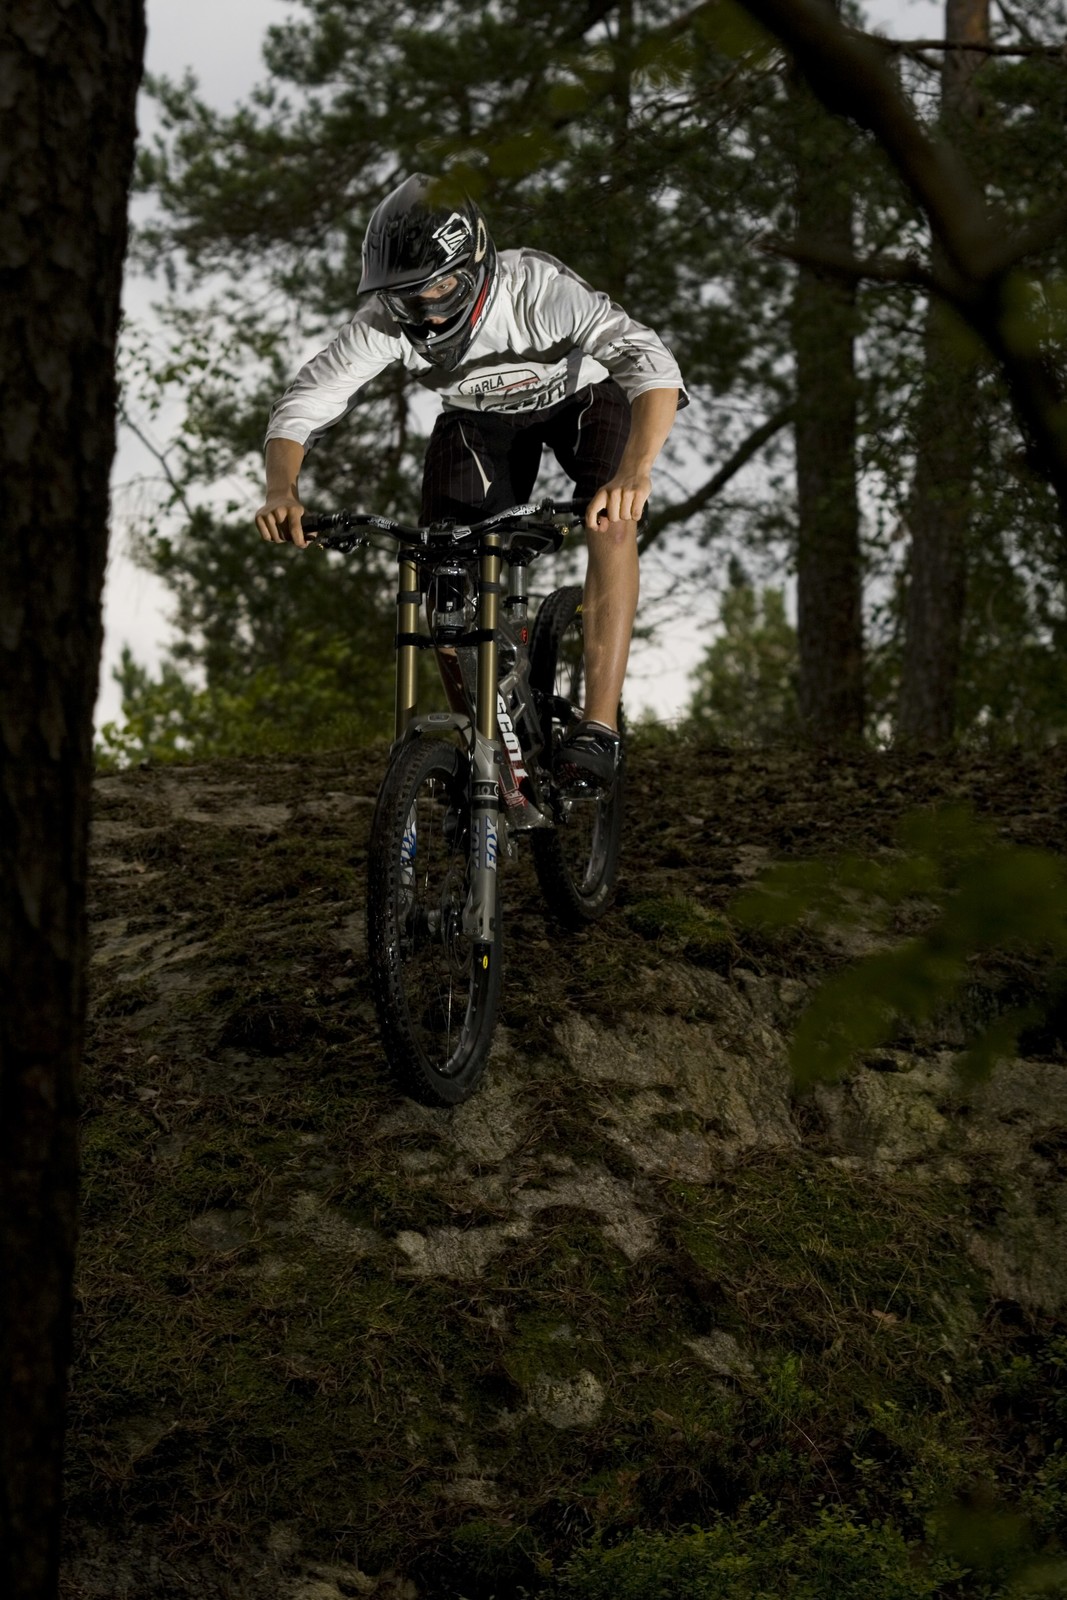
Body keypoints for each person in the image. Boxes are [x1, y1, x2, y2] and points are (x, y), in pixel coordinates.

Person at [255, 174, 686, 787]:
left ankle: (600, 726)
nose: (429, 314)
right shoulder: (381, 325)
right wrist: (281, 490)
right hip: (477, 418)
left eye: (441, 288)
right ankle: (486, 747)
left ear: (477, 265)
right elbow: (303, 404)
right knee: (443, 575)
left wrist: (634, 473)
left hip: (581, 397)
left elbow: (651, 363)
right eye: (409, 300)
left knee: (612, 518)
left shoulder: (539, 290)